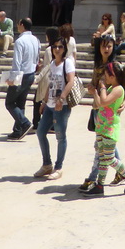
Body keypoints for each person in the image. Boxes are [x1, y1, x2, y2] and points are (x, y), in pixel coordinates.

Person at [83, 60, 125, 196]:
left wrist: (101, 88)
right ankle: (100, 185)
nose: (105, 77)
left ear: (114, 76)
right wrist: (94, 92)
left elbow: (104, 101)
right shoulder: (112, 88)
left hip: (110, 129)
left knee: (109, 158)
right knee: (102, 157)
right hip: (102, 127)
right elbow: (99, 104)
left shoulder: (118, 90)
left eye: (107, 74)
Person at [34, 37, 75, 181]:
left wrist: (62, 98)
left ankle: (58, 167)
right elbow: (50, 83)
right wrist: (44, 102)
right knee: (40, 132)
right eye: (55, 47)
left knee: (60, 136)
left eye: (60, 47)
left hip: (61, 106)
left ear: (64, 49)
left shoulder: (67, 63)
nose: (57, 49)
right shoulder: (52, 63)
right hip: (50, 105)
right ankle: (47, 164)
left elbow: (71, 81)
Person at [5, 17, 40, 140]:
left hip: (21, 74)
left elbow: (17, 62)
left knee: (9, 102)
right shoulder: (36, 39)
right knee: (21, 103)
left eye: (18, 24)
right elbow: (37, 58)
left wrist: (13, 78)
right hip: (30, 73)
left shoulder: (20, 41)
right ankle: (18, 130)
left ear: (22, 25)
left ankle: (24, 123)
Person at [33, 27, 61, 130]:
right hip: (55, 77)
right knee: (51, 101)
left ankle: (37, 123)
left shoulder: (49, 49)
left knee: (37, 100)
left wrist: (37, 78)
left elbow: (48, 66)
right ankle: (52, 125)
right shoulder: (59, 48)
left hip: (47, 78)